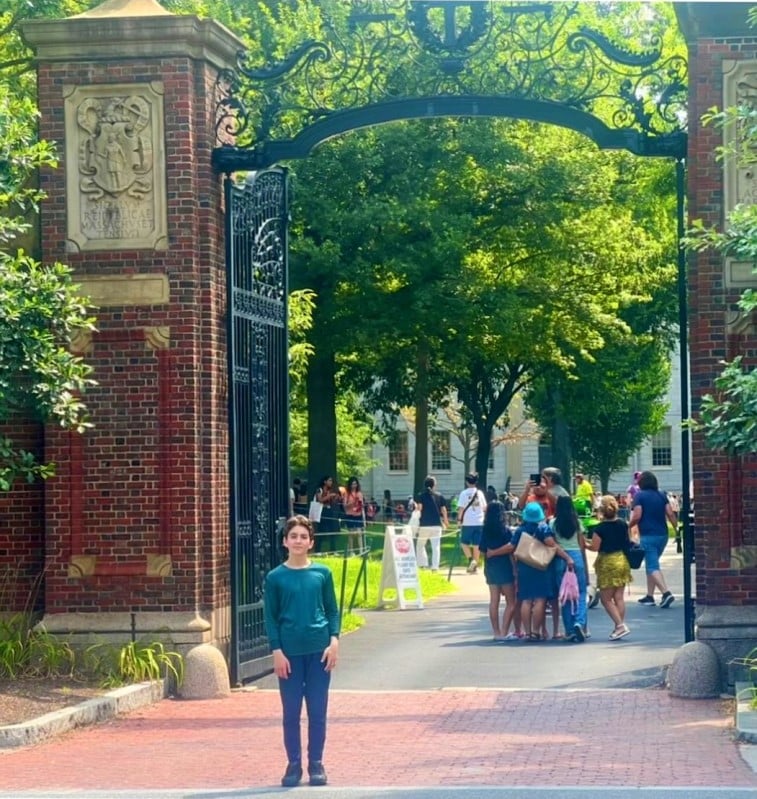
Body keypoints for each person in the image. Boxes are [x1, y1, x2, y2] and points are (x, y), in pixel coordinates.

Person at [263, 515, 340, 788]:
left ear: (311, 542)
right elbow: (271, 618)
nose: (298, 541)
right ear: (285, 541)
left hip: (319, 651)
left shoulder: (322, 574)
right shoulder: (275, 578)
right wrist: (276, 650)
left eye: (303, 537)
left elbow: (332, 609)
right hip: (289, 653)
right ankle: (293, 763)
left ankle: (316, 763)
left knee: (318, 710)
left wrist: (334, 640)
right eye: (293, 536)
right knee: (291, 712)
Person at [511, 501, 573, 641]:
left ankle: (527, 632)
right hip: (541, 567)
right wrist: (567, 558)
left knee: (526, 600)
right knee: (540, 599)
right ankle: (535, 631)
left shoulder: (520, 530)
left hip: (524, 566)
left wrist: (515, 569)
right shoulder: (543, 528)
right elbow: (553, 545)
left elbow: (512, 548)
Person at [629, 470, 678, 608]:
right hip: (663, 535)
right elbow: (670, 513)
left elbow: (637, 515)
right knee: (652, 564)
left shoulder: (639, 496)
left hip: (648, 534)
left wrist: (629, 525)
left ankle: (666, 593)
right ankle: (650, 596)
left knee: (652, 566)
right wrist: (676, 529)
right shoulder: (662, 495)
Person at [589, 495, 632, 639]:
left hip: (607, 562)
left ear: (601, 510)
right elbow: (628, 541)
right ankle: (618, 627)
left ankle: (620, 626)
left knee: (605, 599)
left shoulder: (600, 528)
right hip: (622, 560)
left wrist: (584, 544)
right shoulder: (623, 524)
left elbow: (595, 547)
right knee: (619, 597)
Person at [551, 495, 589, 642]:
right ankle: (579, 622)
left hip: (560, 558)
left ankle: (569, 630)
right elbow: (582, 546)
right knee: (581, 592)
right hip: (576, 556)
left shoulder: (553, 523)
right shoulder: (577, 523)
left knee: (565, 595)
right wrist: (585, 567)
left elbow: (553, 544)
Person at [480, 499, 520, 641]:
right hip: (505, 567)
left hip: (491, 567)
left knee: (494, 601)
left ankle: (496, 632)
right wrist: (515, 570)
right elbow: (512, 550)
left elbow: (483, 551)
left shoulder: (485, 530)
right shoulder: (506, 531)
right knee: (511, 602)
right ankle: (504, 631)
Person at [414, 475, 449, 572]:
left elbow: (419, 509)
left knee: (420, 545)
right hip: (436, 525)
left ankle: (422, 564)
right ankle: (435, 567)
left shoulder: (421, 495)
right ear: (434, 485)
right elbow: (444, 510)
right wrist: (446, 521)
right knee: (436, 546)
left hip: (424, 524)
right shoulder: (439, 496)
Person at [457, 473, 487, 574]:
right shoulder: (480, 493)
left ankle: (471, 560)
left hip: (467, 522)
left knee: (464, 543)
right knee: (476, 544)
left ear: (466, 482)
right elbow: (484, 508)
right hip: (479, 521)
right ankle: (475, 564)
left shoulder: (463, 493)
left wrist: (459, 520)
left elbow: (461, 508)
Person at [314, 476, 340, 553]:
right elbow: (320, 500)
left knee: (332, 529)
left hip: (329, 510)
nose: (331, 482)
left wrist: (335, 497)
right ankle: (318, 550)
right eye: (329, 480)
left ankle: (333, 549)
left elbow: (332, 502)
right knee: (321, 530)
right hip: (321, 511)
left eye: (331, 481)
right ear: (325, 481)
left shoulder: (330, 490)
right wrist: (329, 496)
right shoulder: (319, 489)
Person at [342, 476, 365, 554]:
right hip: (350, 515)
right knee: (351, 534)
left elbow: (361, 505)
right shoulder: (346, 493)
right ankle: (351, 551)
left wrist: (363, 515)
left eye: (355, 484)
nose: (354, 486)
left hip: (358, 515)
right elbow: (344, 506)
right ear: (350, 485)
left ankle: (361, 550)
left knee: (359, 533)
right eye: (352, 484)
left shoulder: (359, 493)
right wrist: (352, 503)